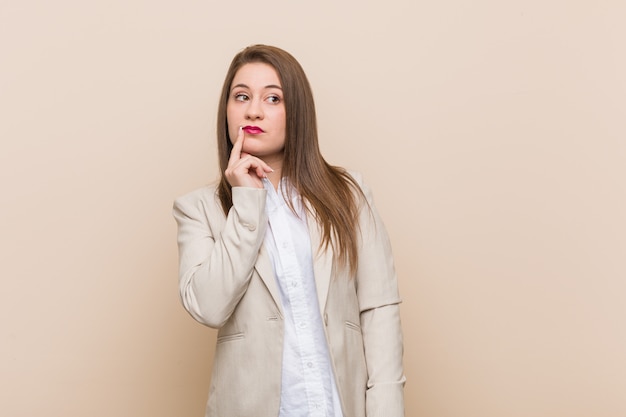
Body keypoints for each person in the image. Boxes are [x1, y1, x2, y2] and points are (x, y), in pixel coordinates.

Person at [173, 44, 405, 417]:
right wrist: (247, 204)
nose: (253, 110)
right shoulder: (198, 208)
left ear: (297, 110)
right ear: (227, 111)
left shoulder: (349, 195)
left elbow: (379, 312)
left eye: (273, 98)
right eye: (242, 96)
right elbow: (209, 306)